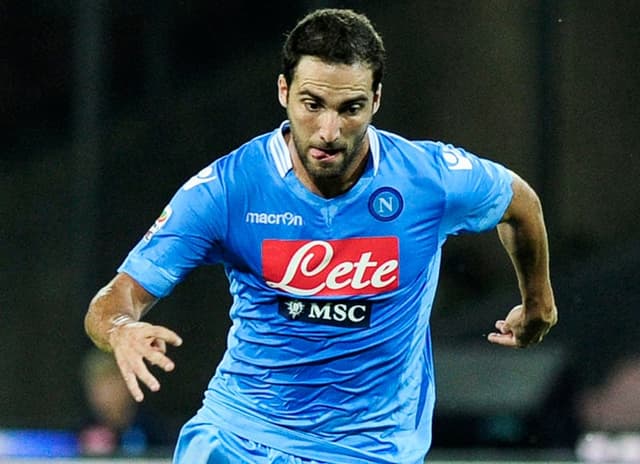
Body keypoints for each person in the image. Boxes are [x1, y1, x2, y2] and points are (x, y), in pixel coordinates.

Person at [84, 8, 557, 464]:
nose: (329, 131)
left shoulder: (428, 179)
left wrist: (539, 302)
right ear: (284, 92)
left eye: (349, 108)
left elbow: (521, 204)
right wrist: (122, 329)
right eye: (312, 105)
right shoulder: (228, 189)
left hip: (369, 449)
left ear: (375, 101)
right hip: (239, 435)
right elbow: (114, 299)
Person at [78, 347, 174, 456]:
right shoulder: (83, 431)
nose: (105, 394)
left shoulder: (153, 428)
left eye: (111, 384)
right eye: (96, 386)